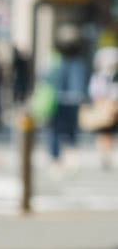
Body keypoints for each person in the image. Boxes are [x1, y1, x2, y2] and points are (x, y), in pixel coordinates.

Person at [45, 28, 90, 165]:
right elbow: (82, 81)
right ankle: (70, 154)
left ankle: (56, 158)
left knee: (54, 130)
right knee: (71, 130)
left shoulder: (54, 60)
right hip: (73, 100)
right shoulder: (79, 61)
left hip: (57, 99)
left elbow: (45, 78)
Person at [84, 43, 118, 169]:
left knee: (109, 133)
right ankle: (104, 153)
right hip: (103, 107)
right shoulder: (99, 76)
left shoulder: (113, 76)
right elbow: (94, 92)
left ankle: (107, 153)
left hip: (112, 108)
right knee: (102, 132)